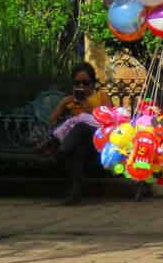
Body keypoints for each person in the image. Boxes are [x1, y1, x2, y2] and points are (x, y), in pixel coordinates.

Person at [44, 62, 113, 205]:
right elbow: (51, 121)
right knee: (78, 148)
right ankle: (74, 195)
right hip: (79, 143)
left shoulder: (102, 96)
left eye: (86, 83)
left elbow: (110, 121)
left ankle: (59, 150)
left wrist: (87, 106)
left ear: (93, 84)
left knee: (82, 126)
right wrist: (64, 105)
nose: (81, 86)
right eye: (77, 83)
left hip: (97, 140)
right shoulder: (69, 100)